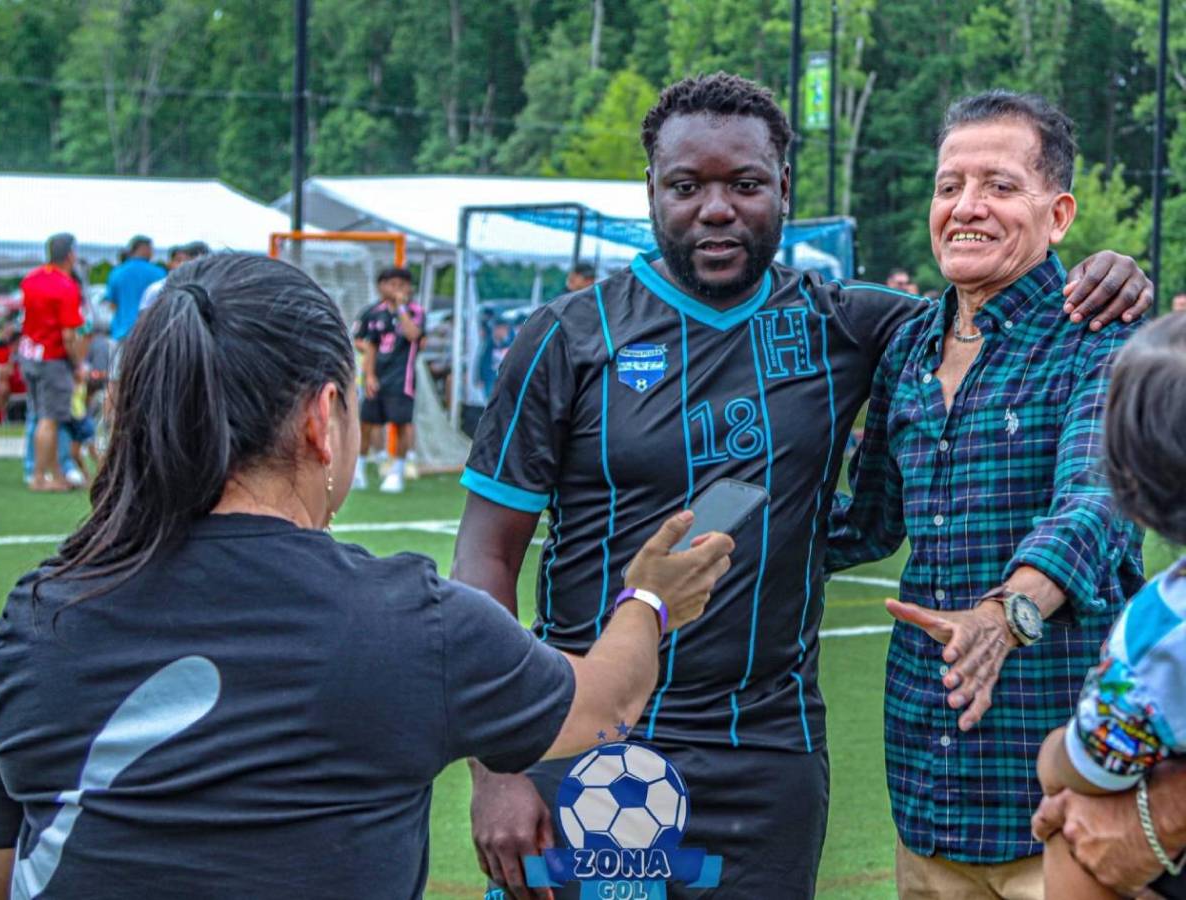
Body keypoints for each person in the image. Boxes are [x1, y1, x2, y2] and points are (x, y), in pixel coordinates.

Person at [452, 73, 1151, 900]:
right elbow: (484, 557)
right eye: (686, 186)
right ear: (652, 192)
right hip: (586, 740)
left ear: (783, 189)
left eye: (745, 185)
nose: (716, 209)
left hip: (768, 753)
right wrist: (497, 762)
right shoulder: (568, 337)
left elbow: (1068, 438)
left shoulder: (849, 324)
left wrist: (1110, 277)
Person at [0, 254, 734, 900]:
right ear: (323, 417)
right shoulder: (410, 621)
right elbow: (605, 704)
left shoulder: (38, 617)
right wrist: (651, 599)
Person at [825, 91, 1144, 898]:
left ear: (1058, 213)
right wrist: (725, 548)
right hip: (927, 791)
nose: (967, 207)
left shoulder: (1101, 337)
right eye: (948, 186)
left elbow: (1096, 497)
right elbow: (864, 525)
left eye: (1000, 185)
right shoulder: (905, 348)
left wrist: (1008, 614)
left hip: (1065, 801)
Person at [1032, 313, 1186, 900]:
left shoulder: (1159, 630)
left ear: (1133, 489)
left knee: (1073, 829)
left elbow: (1093, 763)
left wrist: (1054, 762)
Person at [17, 233, 86, 492]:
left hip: (29, 355)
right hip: (52, 359)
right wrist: (78, 364)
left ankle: (55, 475)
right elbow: (69, 335)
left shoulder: (31, 279)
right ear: (70, 254)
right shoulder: (66, 287)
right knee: (50, 418)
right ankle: (38, 477)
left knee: (39, 415)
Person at [353, 267, 424, 493]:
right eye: (392, 284)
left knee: (401, 424)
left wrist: (401, 307)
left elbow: (413, 335)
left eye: (402, 285)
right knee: (366, 423)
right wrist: (370, 375)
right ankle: (359, 471)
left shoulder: (415, 311)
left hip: (402, 378)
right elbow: (369, 345)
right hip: (378, 376)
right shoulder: (374, 313)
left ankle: (397, 472)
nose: (397, 289)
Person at [104, 235, 163, 342]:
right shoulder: (159, 273)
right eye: (151, 249)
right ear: (144, 249)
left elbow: (112, 305)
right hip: (150, 335)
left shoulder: (117, 272)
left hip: (122, 334)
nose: (153, 253)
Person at [139, 241, 210, 312]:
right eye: (178, 260)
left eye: (187, 260)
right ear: (169, 263)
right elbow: (144, 316)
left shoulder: (202, 291)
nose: (182, 264)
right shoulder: (157, 289)